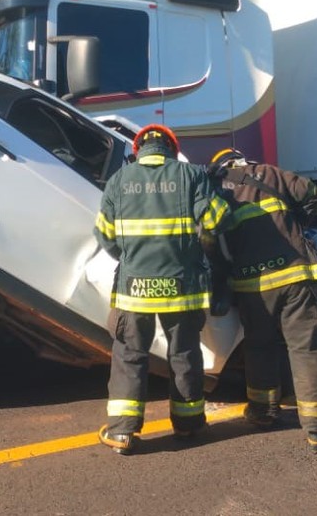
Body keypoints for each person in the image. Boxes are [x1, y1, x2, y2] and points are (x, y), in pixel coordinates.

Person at [93, 124, 231, 455]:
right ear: (171, 148)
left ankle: (122, 432)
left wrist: (130, 260)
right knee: (184, 355)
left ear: (138, 149)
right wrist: (215, 189)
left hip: (133, 289)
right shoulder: (191, 176)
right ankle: (189, 424)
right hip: (182, 287)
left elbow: (104, 235)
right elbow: (216, 222)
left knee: (129, 355)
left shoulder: (118, 181)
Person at [208, 147, 317, 451]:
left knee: (259, 348)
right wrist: (298, 225)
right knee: (306, 349)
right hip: (296, 277)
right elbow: (312, 192)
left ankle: (263, 413)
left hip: (253, 285)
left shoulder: (218, 191)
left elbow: (212, 241)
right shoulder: (270, 173)